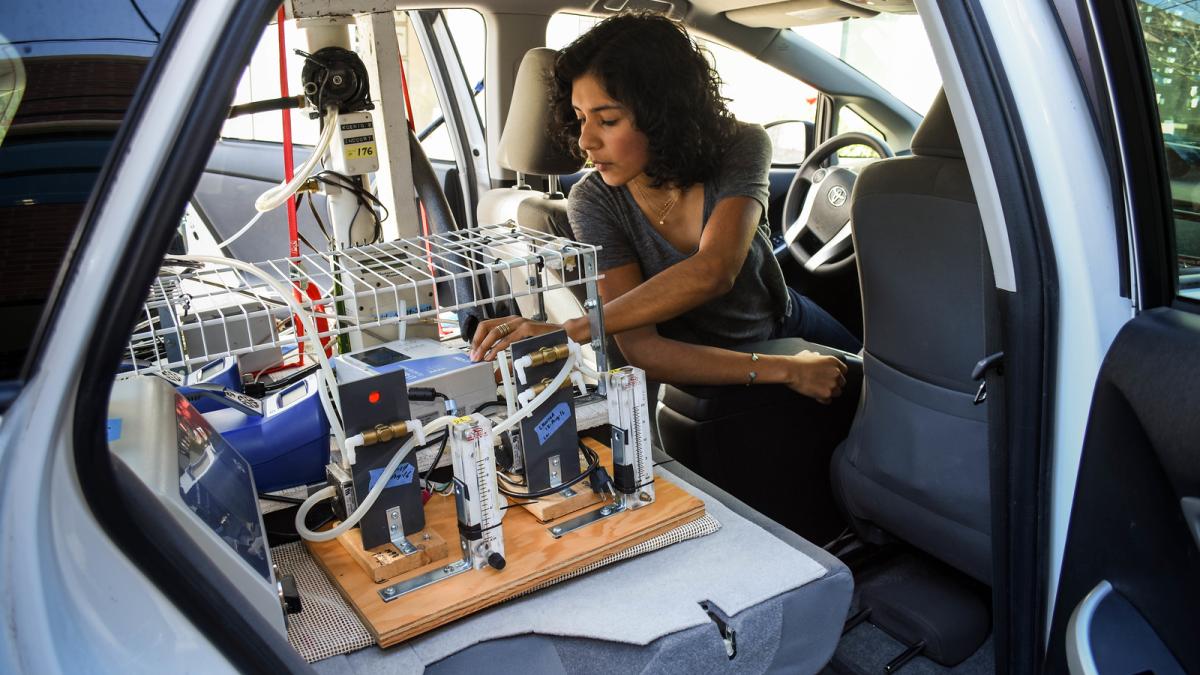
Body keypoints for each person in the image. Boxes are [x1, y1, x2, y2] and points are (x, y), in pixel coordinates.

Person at [471, 12, 857, 403]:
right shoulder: (595, 200)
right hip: (714, 363)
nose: (586, 140)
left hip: (785, 326)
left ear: (662, 114)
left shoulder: (741, 145)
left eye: (607, 120)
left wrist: (570, 329)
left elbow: (715, 270)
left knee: (879, 377)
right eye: (580, 117)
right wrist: (787, 370)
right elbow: (643, 351)